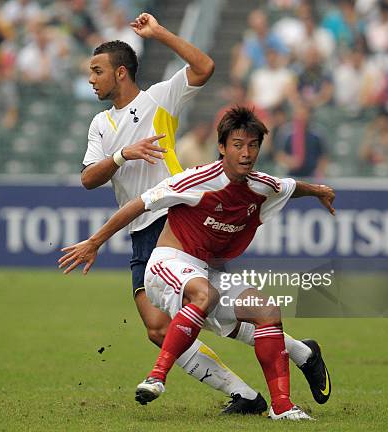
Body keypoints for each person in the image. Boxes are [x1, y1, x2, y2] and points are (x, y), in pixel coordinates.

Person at [61, 106, 335, 420]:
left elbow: (289, 186)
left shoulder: (262, 185)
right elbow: (140, 204)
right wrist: (95, 242)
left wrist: (318, 191)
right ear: (222, 147)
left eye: (252, 146)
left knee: (267, 311)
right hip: (166, 264)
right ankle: (157, 377)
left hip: (205, 270)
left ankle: (283, 407)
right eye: (237, 145)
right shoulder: (197, 179)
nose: (246, 153)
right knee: (203, 295)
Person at [81, 13, 272, 414]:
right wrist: (122, 155)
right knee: (159, 327)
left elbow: (205, 67)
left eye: (97, 71)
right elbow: (88, 178)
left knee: (202, 311)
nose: (91, 79)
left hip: (172, 220)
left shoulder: (159, 98)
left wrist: (158, 33)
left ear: (120, 73)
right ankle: (268, 378)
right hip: (139, 229)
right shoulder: (100, 124)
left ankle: (263, 378)